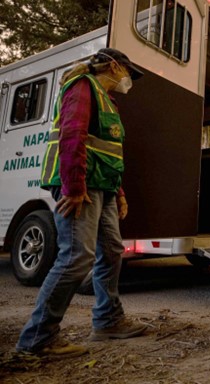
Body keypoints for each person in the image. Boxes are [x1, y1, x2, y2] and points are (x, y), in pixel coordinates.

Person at [15, 48, 147, 357]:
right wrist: (73, 187)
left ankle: (108, 321)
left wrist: (119, 193)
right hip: (81, 188)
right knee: (77, 257)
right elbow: (72, 136)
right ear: (114, 65)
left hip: (103, 188)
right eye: (128, 72)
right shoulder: (82, 86)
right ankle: (38, 338)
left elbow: (107, 154)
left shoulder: (107, 100)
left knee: (112, 250)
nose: (129, 80)